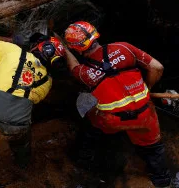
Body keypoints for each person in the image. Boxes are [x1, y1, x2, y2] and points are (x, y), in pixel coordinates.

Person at [61, 21, 171, 188]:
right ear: (96, 34)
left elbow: (73, 66)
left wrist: (64, 48)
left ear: (77, 48)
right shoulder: (124, 48)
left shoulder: (84, 73)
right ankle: (162, 181)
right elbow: (157, 67)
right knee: (153, 149)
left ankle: (84, 159)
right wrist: (147, 88)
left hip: (113, 121)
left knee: (92, 123)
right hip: (144, 114)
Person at [0, 33, 65, 188]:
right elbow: (35, 99)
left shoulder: (13, 51)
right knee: (22, 142)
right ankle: (23, 166)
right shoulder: (47, 80)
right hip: (17, 126)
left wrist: (11, 40)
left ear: (38, 46)